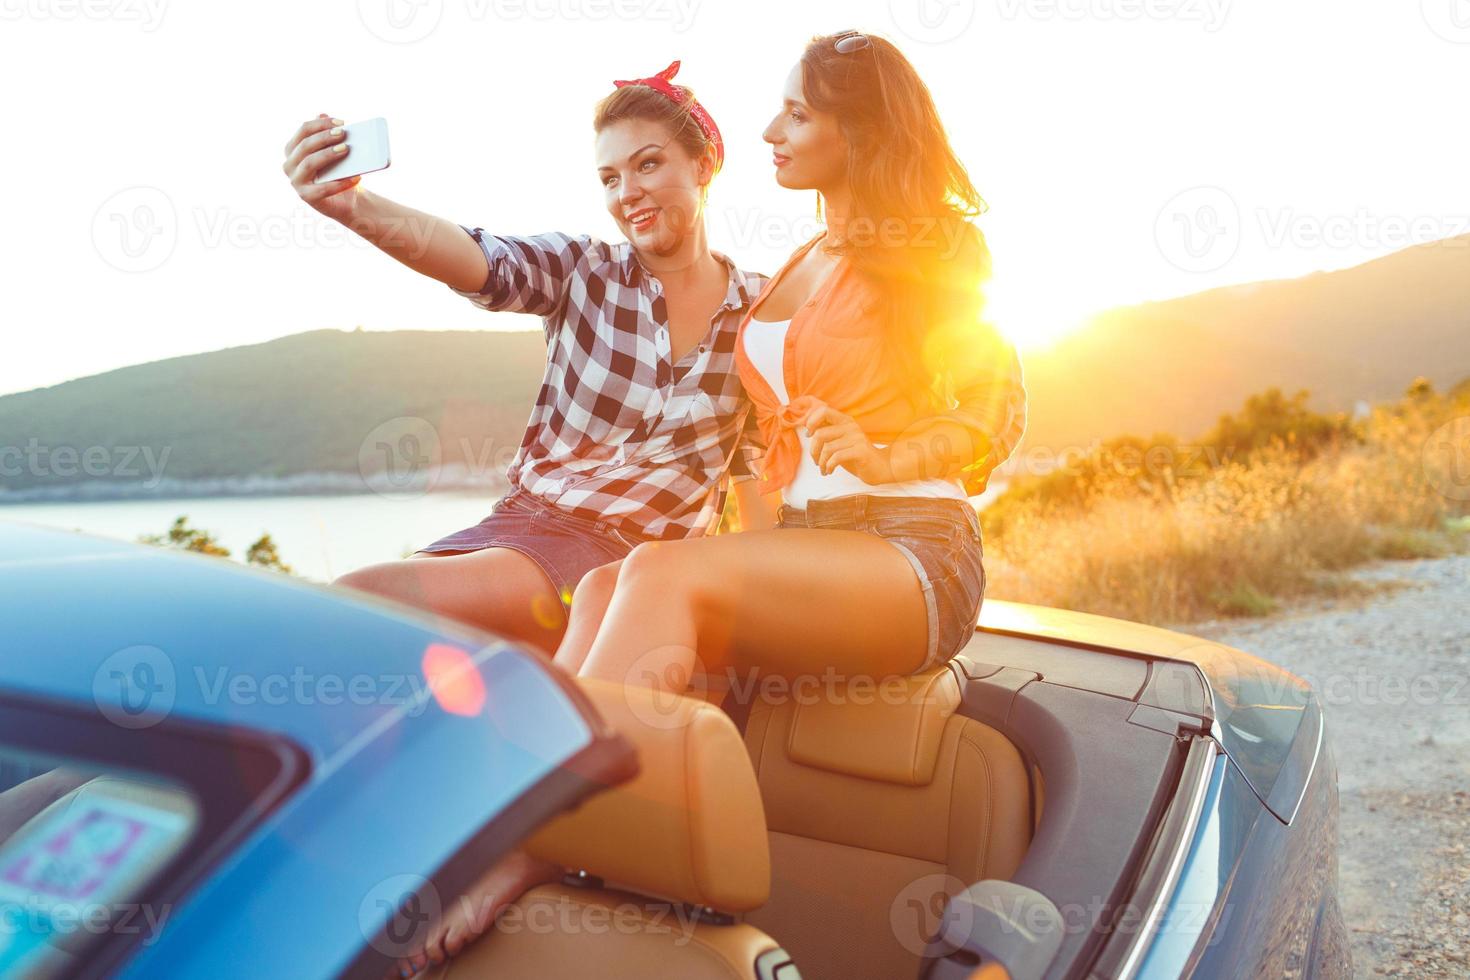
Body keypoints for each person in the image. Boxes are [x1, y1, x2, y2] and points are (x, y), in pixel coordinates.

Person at [553, 31, 1027, 700]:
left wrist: (887, 459)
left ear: (861, 131)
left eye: (799, 114)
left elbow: (995, 406)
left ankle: (573, 786)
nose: (773, 130)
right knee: (607, 582)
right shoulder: (798, 265)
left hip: (912, 549)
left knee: (658, 572)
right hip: (807, 547)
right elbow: (762, 455)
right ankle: (537, 780)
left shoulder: (935, 244)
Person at [279, 62, 771, 659]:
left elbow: (757, 477)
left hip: (641, 567)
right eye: (609, 178)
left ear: (703, 165)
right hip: (528, 533)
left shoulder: (761, 311)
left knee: (361, 600)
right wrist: (355, 207)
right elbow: (481, 259)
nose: (627, 193)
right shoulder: (582, 269)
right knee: (354, 616)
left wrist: (760, 623)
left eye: (647, 164)